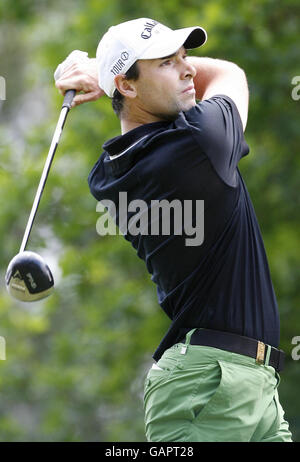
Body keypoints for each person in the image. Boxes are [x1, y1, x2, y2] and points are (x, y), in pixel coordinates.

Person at [55, 18, 293, 442]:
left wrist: (115, 73)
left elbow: (156, 110)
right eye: (167, 62)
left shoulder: (110, 172)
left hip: (244, 386)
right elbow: (229, 74)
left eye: (184, 57)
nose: (187, 69)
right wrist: (100, 68)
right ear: (127, 86)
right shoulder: (199, 142)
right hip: (207, 386)